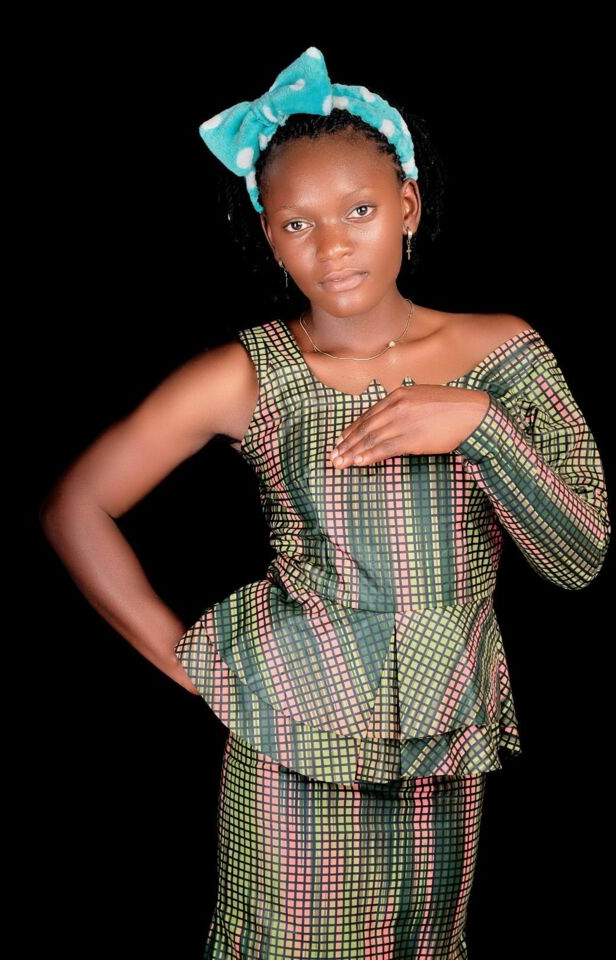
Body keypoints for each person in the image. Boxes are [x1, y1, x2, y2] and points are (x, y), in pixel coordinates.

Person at [40, 46, 611, 959]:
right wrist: (196, 667)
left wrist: (478, 426)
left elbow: (578, 561)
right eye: (298, 223)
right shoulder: (249, 373)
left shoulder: (503, 353)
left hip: (446, 740)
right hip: (293, 745)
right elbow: (77, 506)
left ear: (407, 205)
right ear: (270, 236)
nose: (333, 246)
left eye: (360, 210)